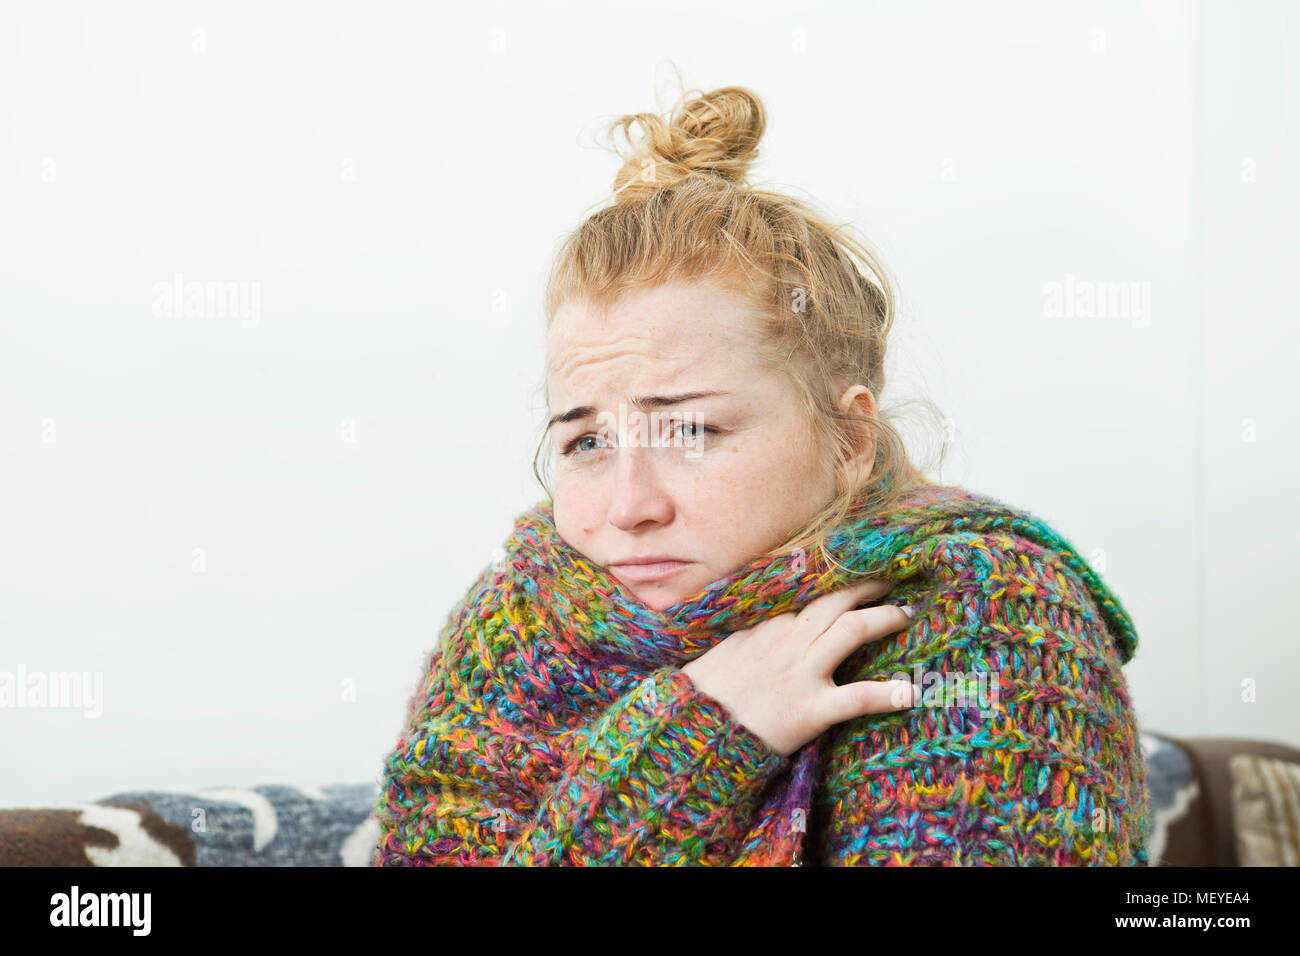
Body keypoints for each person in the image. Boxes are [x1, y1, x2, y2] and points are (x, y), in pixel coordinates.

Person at [373, 83, 1149, 866]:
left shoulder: (990, 615)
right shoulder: (518, 626)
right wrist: (698, 741)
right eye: (586, 443)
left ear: (848, 439)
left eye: (689, 429)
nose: (628, 506)